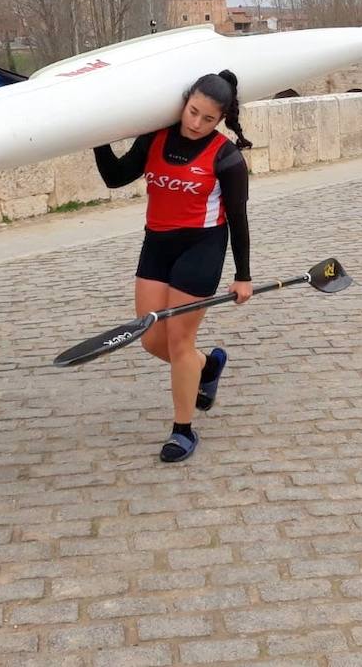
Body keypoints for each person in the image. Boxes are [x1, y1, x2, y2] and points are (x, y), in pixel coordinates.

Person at [93, 71, 254, 459]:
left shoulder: (226, 158)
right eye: (192, 112)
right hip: (157, 245)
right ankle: (208, 367)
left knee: (179, 342)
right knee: (150, 338)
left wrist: (243, 275)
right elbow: (115, 178)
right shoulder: (156, 137)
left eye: (208, 119)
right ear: (184, 102)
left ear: (221, 121)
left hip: (202, 247)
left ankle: (182, 430)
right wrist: (95, 135)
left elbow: (238, 218)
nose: (196, 124)